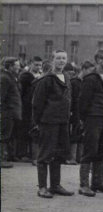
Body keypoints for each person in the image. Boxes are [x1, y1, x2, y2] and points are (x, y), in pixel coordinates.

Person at [31, 50, 74, 198]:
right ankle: (42, 187)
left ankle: (55, 185)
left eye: (64, 58)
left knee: (58, 154)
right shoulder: (46, 79)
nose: (61, 61)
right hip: (48, 122)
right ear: (52, 60)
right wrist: (38, 123)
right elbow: (37, 104)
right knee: (45, 155)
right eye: (58, 58)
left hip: (63, 122)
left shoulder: (67, 77)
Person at [78, 49, 103, 196]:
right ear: (99, 60)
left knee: (101, 150)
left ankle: (97, 182)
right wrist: (84, 119)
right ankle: (84, 185)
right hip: (92, 118)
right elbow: (83, 101)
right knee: (90, 150)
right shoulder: (91, 78)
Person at [1, 57, 22, 168]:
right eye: (17, 65)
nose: (19, 67)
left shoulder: (12, 77)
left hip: (12, 113)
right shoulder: (5, 78)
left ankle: (9, 156)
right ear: (10, 66)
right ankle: (2, 159)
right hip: (7, 113)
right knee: (4, 136)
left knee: (9, 135)